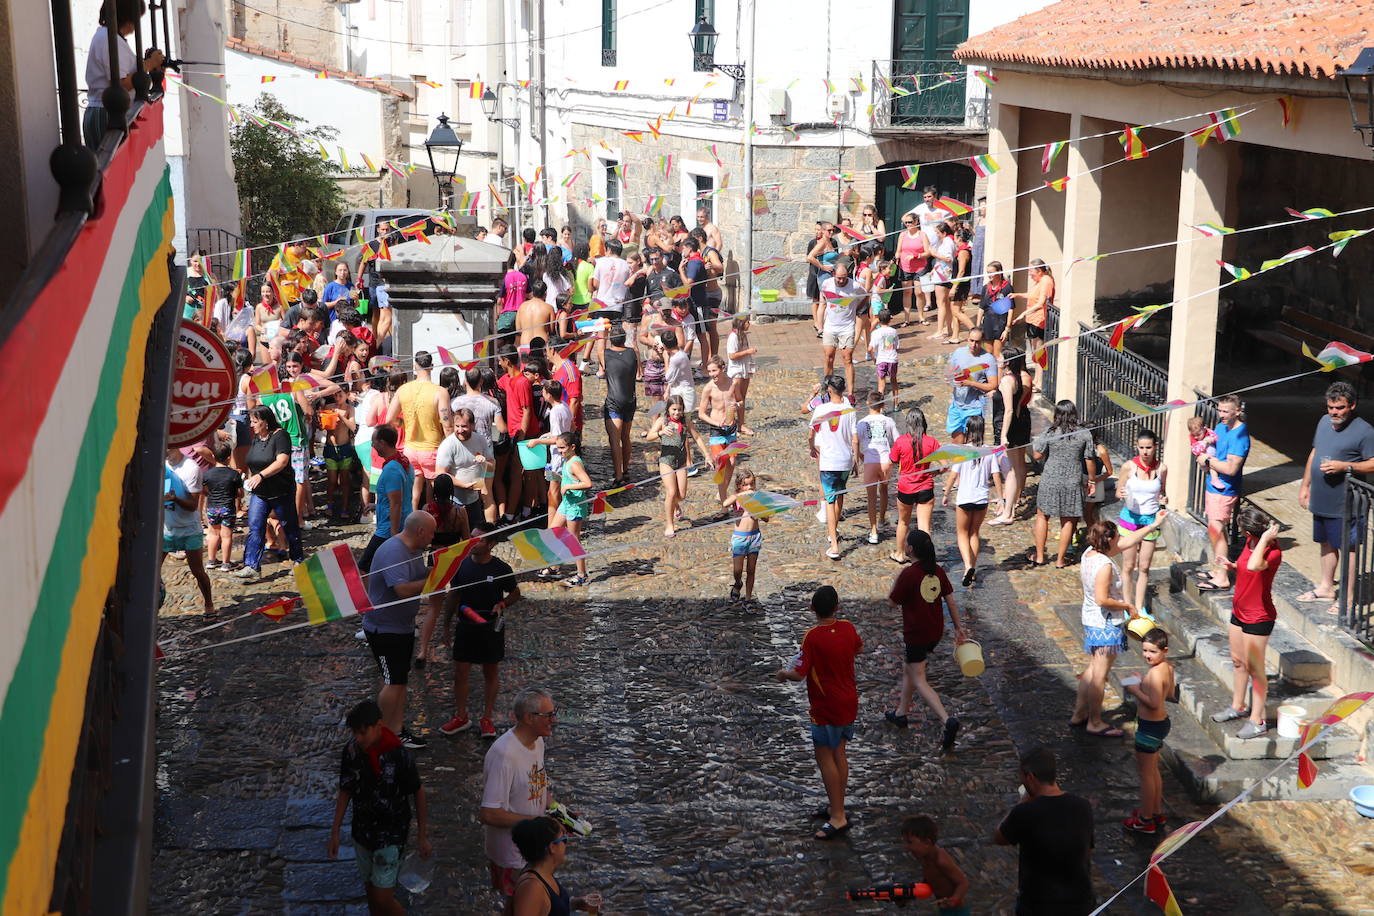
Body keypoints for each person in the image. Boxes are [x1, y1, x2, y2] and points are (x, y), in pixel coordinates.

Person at [773, 586, 862, 841]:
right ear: (837, 607)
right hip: (849, 701)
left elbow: (799, 674)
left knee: (825, 758)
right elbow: (858, 649)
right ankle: (837, 804)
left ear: (813, 609)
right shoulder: (847, 628)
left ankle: (837, 816)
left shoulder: (812, 637)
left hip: (825, 706)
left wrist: (782, 675)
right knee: (840, 753)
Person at [328, 700, 431, 916]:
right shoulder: (352, 751)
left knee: (382, 897)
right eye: (355, 733)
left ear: (378, 725)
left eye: (363, 733)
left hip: (391, 835)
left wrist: (422, 835)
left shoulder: (398, 754)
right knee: (371, 893)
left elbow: (417, 792)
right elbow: (346, 789)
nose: (358, 738)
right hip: (362, 832)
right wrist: (335, 830)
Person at [1071, 518, 1164, 737]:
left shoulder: (1090, 553)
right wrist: (1127, 605)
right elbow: (1103, 599)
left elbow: (1127, 542)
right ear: (1110, 539)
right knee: (1099, 675)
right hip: (1105, 624)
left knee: (1092, 669)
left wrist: (1152, 526)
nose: (1121, 540)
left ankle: (1079, 713)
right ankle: (1095, 721)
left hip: (1091, 619)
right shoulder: (1104, 566)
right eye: (1118, 537)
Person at [885, 527, 968, 752]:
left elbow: (892, 603)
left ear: (910, 549)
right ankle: (901, 713)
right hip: (934, 632)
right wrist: (959, 627)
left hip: (916, 634)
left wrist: (895, 582)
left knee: (919, 677)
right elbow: (951, 601)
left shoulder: (909, 574)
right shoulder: (938, 571)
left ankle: (946, 720)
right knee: (910, 669)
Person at [1297, 380, 1374, 613]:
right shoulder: (1323, 422)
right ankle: (1326, 587)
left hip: (1347, 502)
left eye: (1339, 408)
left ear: (1352, 405)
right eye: (1331, 407)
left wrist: (1345, 467)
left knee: (1347, 548)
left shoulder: (1365, 431)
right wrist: (1305, 485)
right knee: (1326, 543)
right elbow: (1315, 451)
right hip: (1322, 498)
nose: (1334, 412)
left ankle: (1347, 599)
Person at [439, 524, 520, 740]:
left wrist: (502, 604)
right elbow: (453, 598)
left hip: (490, 628)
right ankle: (461, 716)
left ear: (491, 545)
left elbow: (515, 592)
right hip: (466, 626)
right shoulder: (461, 567)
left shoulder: (501, 569)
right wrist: (446, 626)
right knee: (460, 673)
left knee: (490, 673)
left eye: (479, 539)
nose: (473, 542)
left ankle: (487, 718)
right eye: (472, 538)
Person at [993, 746, 1096, 916]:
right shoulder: (1082, 806)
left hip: (1038, 905)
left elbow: (999, 837)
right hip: (1079, 902)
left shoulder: (1025, 812)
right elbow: (1087, 851)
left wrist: (1021, 802)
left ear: (1030, 777)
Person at [363, 510, 436, 749]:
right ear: (420, 531)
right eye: (431, 533)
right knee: (392, 681)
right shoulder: (394, 551)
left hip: (401, 626)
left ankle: (397, 731)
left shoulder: (413, 551)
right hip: (385, 629)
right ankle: (380, 733)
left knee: (400, 681)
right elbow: (402, 590)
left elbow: (417, 576)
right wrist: (433, 581)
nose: (433, 538)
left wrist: (438, 570)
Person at [1210, 509, 1282, 740]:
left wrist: (1263, 540)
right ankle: (1238, 705)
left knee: (1256, 670)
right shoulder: (1251, 542)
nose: (1242, 534)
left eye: (1244, 531)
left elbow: (1254, 566)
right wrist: (1231, 566)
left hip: (1259, 617)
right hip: (1239, 612)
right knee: (1238, 662)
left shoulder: (1272, 552)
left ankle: (1257, 719)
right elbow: (1245, 567)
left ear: (1251, 532)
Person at [480, 688, 558, 898]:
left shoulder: (538, 741)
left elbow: (538, 786)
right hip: (511, 854)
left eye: (554, 712)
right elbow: (489, 813)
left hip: (532, 849)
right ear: (528, 718)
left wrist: (561, 814)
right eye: (549, 715)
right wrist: (537, 822)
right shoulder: (505, 755)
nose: (554, 719)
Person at [236, 406, 305, 579]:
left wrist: (261, 475)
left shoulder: (280, 436)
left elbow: (282, 461)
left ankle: (298, 560)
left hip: (281, 492)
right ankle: (252, 566)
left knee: (290, 526)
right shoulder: (257, 438)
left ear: (265, 422)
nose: (251, 425)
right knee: (255, 527)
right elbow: (253, 460)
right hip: (260, 494)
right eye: (250, 421)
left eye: (254, 421)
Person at [84, 1, 164, 148]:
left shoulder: (110, 38)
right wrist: (149, 64)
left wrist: (146, 63)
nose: (134, 27)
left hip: (108, 113)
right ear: (127, 19)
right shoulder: (108, 40)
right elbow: (120, 83)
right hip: (106, 114)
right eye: (135, 20)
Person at [1029, 400, 1096, 569]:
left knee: (1042, 516)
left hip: (1050, 478)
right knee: (1069, 519)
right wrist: (1092, 481)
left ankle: (1039, 556)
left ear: (1057, 414)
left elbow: (1037, 455)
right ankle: (1060, 559)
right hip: (1072, 479)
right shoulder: (1084, 433)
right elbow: (1089, 459)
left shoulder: (1050, 432)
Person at [941, 416, 1007, 586]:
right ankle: (972, 569)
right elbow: (996, 476)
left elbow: (953, 475)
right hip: (981, 498)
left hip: (964, 498)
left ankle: (968, 566)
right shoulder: (989, 452)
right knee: (974, 533)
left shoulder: (962, 452)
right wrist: (1001, 498)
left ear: (968, 431)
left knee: (962, 533)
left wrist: (945, 494)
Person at [1123, 628, 1176, 834]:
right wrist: (1143, 682)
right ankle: (1155, 811)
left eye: (1152, 652)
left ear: (1164, 650)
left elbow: (1153, 703)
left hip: (1149, 727)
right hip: (1161, 724)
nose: (1147, 655)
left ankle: (1145, 820)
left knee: (1145, 775)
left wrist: (1136, 689)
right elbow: (1169, 693)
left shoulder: (1154, 673)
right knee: (1153, 771)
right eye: (1145, 650)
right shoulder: (1167, 667)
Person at [1195, 395, 1251, 591]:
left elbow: (1231, 468)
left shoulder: (1240, 436)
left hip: (1225, 490)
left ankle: (1223, 577)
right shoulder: (1220, 428)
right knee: (1216, 530)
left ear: (1237, 411)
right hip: (1213, 486)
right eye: (1220, 410)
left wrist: (1207, 461)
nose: (1222, 415)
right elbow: (1214, 451)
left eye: (1226, 411)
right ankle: (1219, 569)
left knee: (1216, 530)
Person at [385, 351, 452, 510]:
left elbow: (389, 419)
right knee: (435, 492)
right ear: (432, 366)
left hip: (410, 448)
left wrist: (402, 423)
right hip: (432, 448)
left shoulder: (403, 389)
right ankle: (433, 524)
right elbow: (447, 425)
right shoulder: (440, 392)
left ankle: (413, 522)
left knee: (414, 492)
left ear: (415, 366)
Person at [810, 374, 861, 561]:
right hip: (845, 460)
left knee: (830, 501)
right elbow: (855, 439)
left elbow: (812, 432)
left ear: (829, 390)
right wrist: (856, 461)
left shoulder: (821, 409)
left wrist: (811, 447)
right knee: (839, 496)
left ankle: (834, 544)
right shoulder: (851, 410)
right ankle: (834, 530)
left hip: (829, 460)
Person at [1116, 429, 1168, 612]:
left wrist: (1164, 500)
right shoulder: (1129, 467)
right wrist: (1120, 493)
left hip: (1151, 521)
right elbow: (1118, 490)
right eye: (1141, 448)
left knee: (1144, 566)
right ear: (1136, 447)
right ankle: (1127, 604)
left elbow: (1162, 493)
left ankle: (1140, 606)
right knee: (1128, 565)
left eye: (1149, 448)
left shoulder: (1162, 468)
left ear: (1155, 447)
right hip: (1130, 519)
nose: (1145, 452)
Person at [508, 816, 602, 916]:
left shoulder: (542, 873)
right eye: (564, 839)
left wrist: (576, 903)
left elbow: (548, 908)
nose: (566, 845)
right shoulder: (532, 888)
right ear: (552, 847)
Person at [644, 395, 709, 538]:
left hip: (681, 461)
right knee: (671, 492)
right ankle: (669, 524)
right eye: (674, 409)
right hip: (666, 460)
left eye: (679, 410)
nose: (676, 413)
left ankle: (675, 505)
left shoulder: (686, 421)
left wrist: (707, 455)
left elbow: (697, 437)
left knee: (682, 495)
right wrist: (660, 432)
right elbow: (649, 436)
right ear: (668, 409)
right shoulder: (662, 421)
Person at [163, 446, 215, 615]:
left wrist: (174, 498)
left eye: (168, 448)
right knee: (152, 570)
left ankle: (209, 605)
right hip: (166, 528)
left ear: (177, 447)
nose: (165, 451)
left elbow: (193, 506)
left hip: (189, 530)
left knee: (197, 570)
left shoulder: (191, 468)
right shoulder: (162, 465)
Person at [888, 407, 941, 562]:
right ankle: (925, 559)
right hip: (925, 487)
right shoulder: (931, 442)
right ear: (923, 422)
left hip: (905, 487)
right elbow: (945, 465)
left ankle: (900, 554)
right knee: (924, 527)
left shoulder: (901, 441)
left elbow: (892, 461)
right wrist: (935, 473)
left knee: (903, 522)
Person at [359, 425, 414, 574]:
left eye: (373, 441)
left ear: (382, 443)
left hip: (389, 530)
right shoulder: (405, 461)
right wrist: (377, 506)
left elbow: (396, 503)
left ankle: (370, 597)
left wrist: (394, 537)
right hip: (403, 524)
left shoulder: (392, 469)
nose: (372, 445)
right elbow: (399, 497)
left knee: (364, 567)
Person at [989, 347, 1033, 526]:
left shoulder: (1007, 381)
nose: (997, 358)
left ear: (1006, 361)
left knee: (1012, 470)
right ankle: (1009, 508)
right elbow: (1017, 407)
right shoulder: (1017, 378)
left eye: (1000, 357)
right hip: (1019, 424)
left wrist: (1004, 435)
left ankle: (1007, 513)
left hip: (1011, 428)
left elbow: (1008, 410)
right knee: (1014, 469)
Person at [900, 815, 971, 916]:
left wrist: (953, 900)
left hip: (956, 911)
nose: (906, 847)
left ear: (927, 843)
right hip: (943, 907)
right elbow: (929, 878)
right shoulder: (924, 856)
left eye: (910, 842)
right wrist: (909, 895)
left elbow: (963, 883)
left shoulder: (941, 861)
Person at [435, 407, 493, 527]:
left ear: (472, 425)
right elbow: (440, 474)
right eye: (457, 426)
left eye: (464, 426)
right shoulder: (448, 445)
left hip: (474, 499)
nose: (460, 430)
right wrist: (464, 485)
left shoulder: (480, 440)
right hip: (455, 501)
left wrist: (485, 470)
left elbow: (492, 464)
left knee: (476, 534)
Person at [550, 432, 592, 588]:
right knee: (554, 531)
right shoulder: (567, 460)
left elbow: (587, 483)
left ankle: (582, 575)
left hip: (575, 506)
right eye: (558, 448)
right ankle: (556, 566)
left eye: (562, 448)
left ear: (572, 447)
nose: (559, 451)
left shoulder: (574, 463)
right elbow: (570, 477)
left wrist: (568, 486)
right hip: (566, 503)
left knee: (574, 540)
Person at [858, 390, 898, 546]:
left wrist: (860, 456)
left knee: (871, 498)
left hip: (870, 461)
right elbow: (898, 441)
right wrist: (894, 459)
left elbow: (855, 441)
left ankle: (873, 530)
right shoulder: (888, 421)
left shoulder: (862, 423)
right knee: (884, 490)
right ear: (882, 405)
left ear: (868, 403)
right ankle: (881, 519)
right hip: (885, 461)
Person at [698, 356, 739, 503]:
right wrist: (716, 422)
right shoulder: (708, 388)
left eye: (714, 371)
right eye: (709, 371)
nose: (712, 374)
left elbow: (740, 400)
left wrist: (736, 406)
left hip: (731, 427)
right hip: (716, 429)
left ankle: (722, 491)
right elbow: (701, 413)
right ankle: (724, 502)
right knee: (720, 463)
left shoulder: (733, 383)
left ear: (722, 369)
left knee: (732, 462)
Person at [723, 468, 768, 601]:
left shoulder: (758, 499)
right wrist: (741, 496)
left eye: (752, 484)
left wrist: (759, 513)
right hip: (740, 537)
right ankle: (738, 583)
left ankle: (748, 597)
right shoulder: (737, 497)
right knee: (737, 570)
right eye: (746, 485)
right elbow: (725, 503)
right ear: (739, 486)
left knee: (751, 570)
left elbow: (767, 518)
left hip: (754, 536)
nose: (749, 487)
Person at [945, 328, 997, 444]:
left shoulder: (988, 359)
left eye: (977, 342)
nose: (974, 344)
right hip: (956, 405)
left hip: (975, 408)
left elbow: (993, 385)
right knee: (957, 445)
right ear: (967, 339)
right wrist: (949, 378)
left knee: (974, 446)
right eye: (971, 340)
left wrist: (971, 383)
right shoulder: (958, 352)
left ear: (982, 341)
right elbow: (950, 372)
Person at [1009, 259, 1054, 390]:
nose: (1029, 273)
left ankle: (1040, 382)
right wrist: (1017, 295)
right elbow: (1032, 295)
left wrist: (1023, 314)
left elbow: (1040, 303)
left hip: (1039, 320)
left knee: (1039, 351)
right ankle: (1037, 379)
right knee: (1036, 351)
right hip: (1033, 319)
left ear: (1039, 271)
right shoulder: (1039, 281)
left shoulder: (1046, 281)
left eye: (1031, 271)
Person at [819, 260, 862, 395]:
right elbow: (823, 302)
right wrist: (820, 324)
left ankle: (850, 393)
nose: (842, 281)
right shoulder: (826, 284)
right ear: (833, 275)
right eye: (839, 278)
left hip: (847, 327)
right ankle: (828, 389)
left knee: (847, 358)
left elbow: (866, 296)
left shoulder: (855, 286)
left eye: (844, 278)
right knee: (828, 357)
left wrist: (857, 309)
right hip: (830, 326)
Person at [603, 330, 639, 486]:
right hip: (630, 401)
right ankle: (625, 470)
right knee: (626, 437)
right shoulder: (632, 354)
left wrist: (601, 332)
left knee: (615, 440)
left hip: (614, 402)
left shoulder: (606, 355)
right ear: (625, 339)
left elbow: (599, 349)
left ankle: (618, 476)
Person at [202, 440, 243, 572]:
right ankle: (226, 563)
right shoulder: (234, 474)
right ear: (229, 458)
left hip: (212, 507)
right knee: (226, 536)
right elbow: (240, 494)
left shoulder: (207, 474)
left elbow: (204, 490)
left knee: (213, 534)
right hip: (228, 508)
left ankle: (211, 560)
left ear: (213, 457)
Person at [894, 212, 930, 328]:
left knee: (919, 292)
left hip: (920, 267)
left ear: (916, 222)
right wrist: (896, 257)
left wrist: (916, 256)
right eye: (906, 223)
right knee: (907, 292)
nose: (908, 225)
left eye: (910, 222)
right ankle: (906, 319)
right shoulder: (902, 235)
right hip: (905, 267)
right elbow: (899, 250)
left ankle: (921, 316)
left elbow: (928, 252)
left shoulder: (922, 235)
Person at [725, 314, 757, 438]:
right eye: (747, 322)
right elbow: (731, 355)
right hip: (736, 371)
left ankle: (741, 424)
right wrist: (748, 352)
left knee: (742, 398)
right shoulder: (733, 337)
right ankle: (731, 425)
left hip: (744, 369)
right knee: (734, 399)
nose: (749, 324)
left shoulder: (742, 335)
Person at [977, 262, 1014, 364]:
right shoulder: (986, 288)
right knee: (988, 353)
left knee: (997, 354)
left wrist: (1007, 328)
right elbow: (981, 307)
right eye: (988, 272)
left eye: (991, 272)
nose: (989, 275)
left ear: (999, 272)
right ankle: (990, 376)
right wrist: (978, 326)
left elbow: (1011, 309)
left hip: (1000, 323)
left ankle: (998, 376)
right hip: (988, 322)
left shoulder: (1006, 288)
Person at [806, 224, 839, 336]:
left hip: (831, 275)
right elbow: (810, 257)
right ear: (823, 231)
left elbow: (833, 258)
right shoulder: (822, 243)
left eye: (833, 230)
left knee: (826, 302)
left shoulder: (830, 242)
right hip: (824, 275)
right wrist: (823, 267)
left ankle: (824, 327)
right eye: (829, 230)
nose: (831, 232)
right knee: (824, 302)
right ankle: (820, 329)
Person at [869, 308, 900, 403]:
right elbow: (897, 346)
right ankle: (896, 404)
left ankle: (881, 407)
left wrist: (873, 358)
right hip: (892, 359)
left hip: (881, 360)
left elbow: (869, 349)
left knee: (881, 385)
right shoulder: (894, 331)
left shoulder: (875, 333)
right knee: (894, 382)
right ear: (890, 319)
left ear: (878, 319)